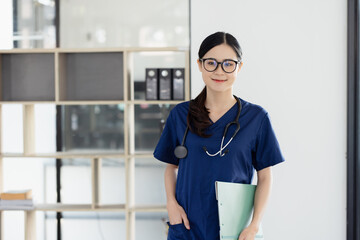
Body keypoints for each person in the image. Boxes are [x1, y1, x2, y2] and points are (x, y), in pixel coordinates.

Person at [153, 31, 285, 240]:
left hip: (234, 229)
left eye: (228, 64)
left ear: (239, 67)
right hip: (186, 226)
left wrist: (254, 224)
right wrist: (171, 203)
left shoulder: (256, 118)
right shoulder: (181, 115)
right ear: (199, 64)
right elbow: (171, 166)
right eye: (211, 63)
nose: (219, 71)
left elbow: (265, 175)